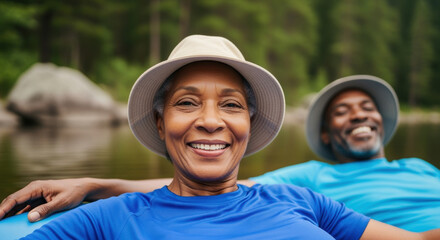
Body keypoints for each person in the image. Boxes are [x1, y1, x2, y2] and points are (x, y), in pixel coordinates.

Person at [1, 35, 439, 239]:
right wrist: (95, 186)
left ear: (249, 124)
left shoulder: (302, 201)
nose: (211, 121)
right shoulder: (109, 220)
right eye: (188, 103)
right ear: (159, 123)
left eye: (230, 105)